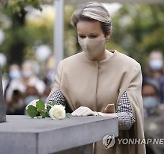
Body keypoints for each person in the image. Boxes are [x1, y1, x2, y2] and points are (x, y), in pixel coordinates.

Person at [47, 2, 145, 154]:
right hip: (77, 147)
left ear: (107, 35)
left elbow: (128, 118)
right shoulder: (66, 67)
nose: (86, 42)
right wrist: (40, 108)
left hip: (115, 149)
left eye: (93, 36)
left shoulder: (129, 67)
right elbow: (52, 108)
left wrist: (97, 116)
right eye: (81, 36)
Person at [142, 79, 164, 154]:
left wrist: (149, 141)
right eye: (146, 95)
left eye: (151, 95)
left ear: (157, 97)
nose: (149, 98)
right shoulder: (136, 116)